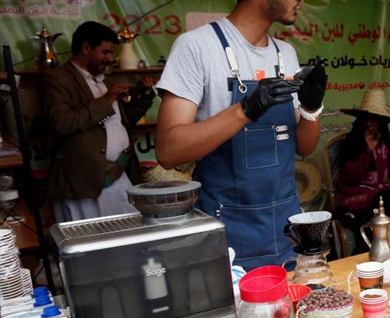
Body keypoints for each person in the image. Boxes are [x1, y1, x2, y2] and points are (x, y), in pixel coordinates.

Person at [156, 0, 327, 270]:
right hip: (226, 230)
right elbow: (167, 150)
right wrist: (245, 109)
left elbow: (304, 147)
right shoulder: (196, 47)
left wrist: (311, 108)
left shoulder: (286, 53)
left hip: (285, 226)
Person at [41, 21, 157, 223]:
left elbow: (124, 120)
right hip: (84, 183)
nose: (110, 59)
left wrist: (144, 96)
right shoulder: (57, 78)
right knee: (91, 246)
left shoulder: (105, 81)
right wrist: (106, 100)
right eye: (105, 52)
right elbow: (61, 122)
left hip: (120, 175)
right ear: (86, 48)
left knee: (127, 240)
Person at [333, 89, 390, 252]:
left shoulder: (384, 140)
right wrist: (367, 151)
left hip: (381, 195)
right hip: (357, 196)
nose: (372, 124)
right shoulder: (352, 142)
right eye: (368, 119)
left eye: (376, 120)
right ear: (361, 120)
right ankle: (369, 250)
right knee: (387, 200)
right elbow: (352, 177)